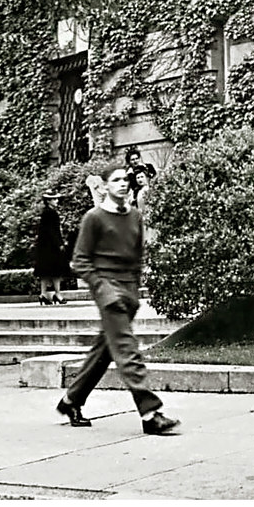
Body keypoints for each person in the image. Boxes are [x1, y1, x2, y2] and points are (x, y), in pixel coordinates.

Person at [55, 162, 179, 436]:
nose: (123, 184)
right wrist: (103, 289)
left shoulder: (134, 216)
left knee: (104, 351)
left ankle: (71, 401)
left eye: (126, 180)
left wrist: (134, 290)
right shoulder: (94, 218)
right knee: (127, 350)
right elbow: (80, 261)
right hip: (108, 291)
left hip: (128, 291)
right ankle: (150, 412)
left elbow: (137, 256)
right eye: (117, 180)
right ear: (106, 186)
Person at [33, 192, 70, 305]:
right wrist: (59, 243)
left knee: (46, 271)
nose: (56, 201)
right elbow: (53, 231)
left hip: (44, 246)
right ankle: (57, 294)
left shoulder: (46, 213)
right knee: (56, 270)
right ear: (48, 201)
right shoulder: (51, 213)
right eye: (54, 199)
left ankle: (43, 294)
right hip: (51, 246)